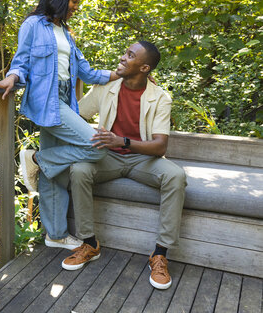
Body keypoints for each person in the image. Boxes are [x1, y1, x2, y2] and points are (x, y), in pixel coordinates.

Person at [0, 0, 119, 251]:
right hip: (48, 102)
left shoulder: (66, 33)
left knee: (54, 171)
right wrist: (11, 78)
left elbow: (87, 72)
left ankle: (55, 234)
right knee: (98, 146)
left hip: (66, 101)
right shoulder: (32, 25)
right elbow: (21, 62)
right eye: (74, 0)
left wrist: (124, 74)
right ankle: (37, 158)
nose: (76, 6)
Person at [62, 41, 187, 290]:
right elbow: (77, 115)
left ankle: (160, 255)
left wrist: (123, 141)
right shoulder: (105, 86)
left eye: (130, 55)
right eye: (125, 52)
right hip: (107, 157)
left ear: (144, 67)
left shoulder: (160, 98)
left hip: (143, 160)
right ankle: (90, 244)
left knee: (176, 176)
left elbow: (160, 146)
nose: (122, 57)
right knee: (79, 170)